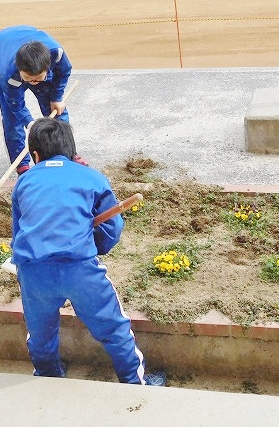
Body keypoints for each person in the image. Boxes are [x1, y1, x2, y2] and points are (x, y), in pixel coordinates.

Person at [10, 117, 165, 386]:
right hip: (79, 268)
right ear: (72, 150)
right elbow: (112, 226)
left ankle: (48, 376)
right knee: (113, 326)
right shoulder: (91, 177)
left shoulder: (24, 182)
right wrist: (96, 245)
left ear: (35, 155)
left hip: (33, 271)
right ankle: (134, 382)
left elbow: (18, 231)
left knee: (40, 331)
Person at [0, 25, 79, 175]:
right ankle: (22, 165)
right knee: (11, 119)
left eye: (38, 78)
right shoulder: (8, 74)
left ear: (48, 67)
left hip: (33, 50)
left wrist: (56, 97)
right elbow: (15, 104)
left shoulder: (57, 54)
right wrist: (29, 122)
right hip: (2, 44)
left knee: (56, 111)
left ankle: (68, 154)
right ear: (20, 70)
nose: (33, 82)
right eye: (28, 78)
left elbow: (64, 72)